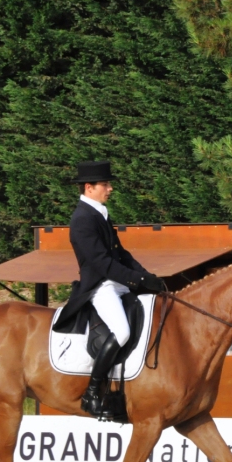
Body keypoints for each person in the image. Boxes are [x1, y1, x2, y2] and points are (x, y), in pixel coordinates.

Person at [53, 160, 165, 417]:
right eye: (105, 184)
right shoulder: (82, 219)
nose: (110, 188)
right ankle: (92, 392)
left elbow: (120, 254)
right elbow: (102, 263)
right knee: (122, 331)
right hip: (100, 286)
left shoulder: (99, 213)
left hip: (117, 283)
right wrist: (136, 281)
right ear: (89, 187)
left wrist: (147, 277)